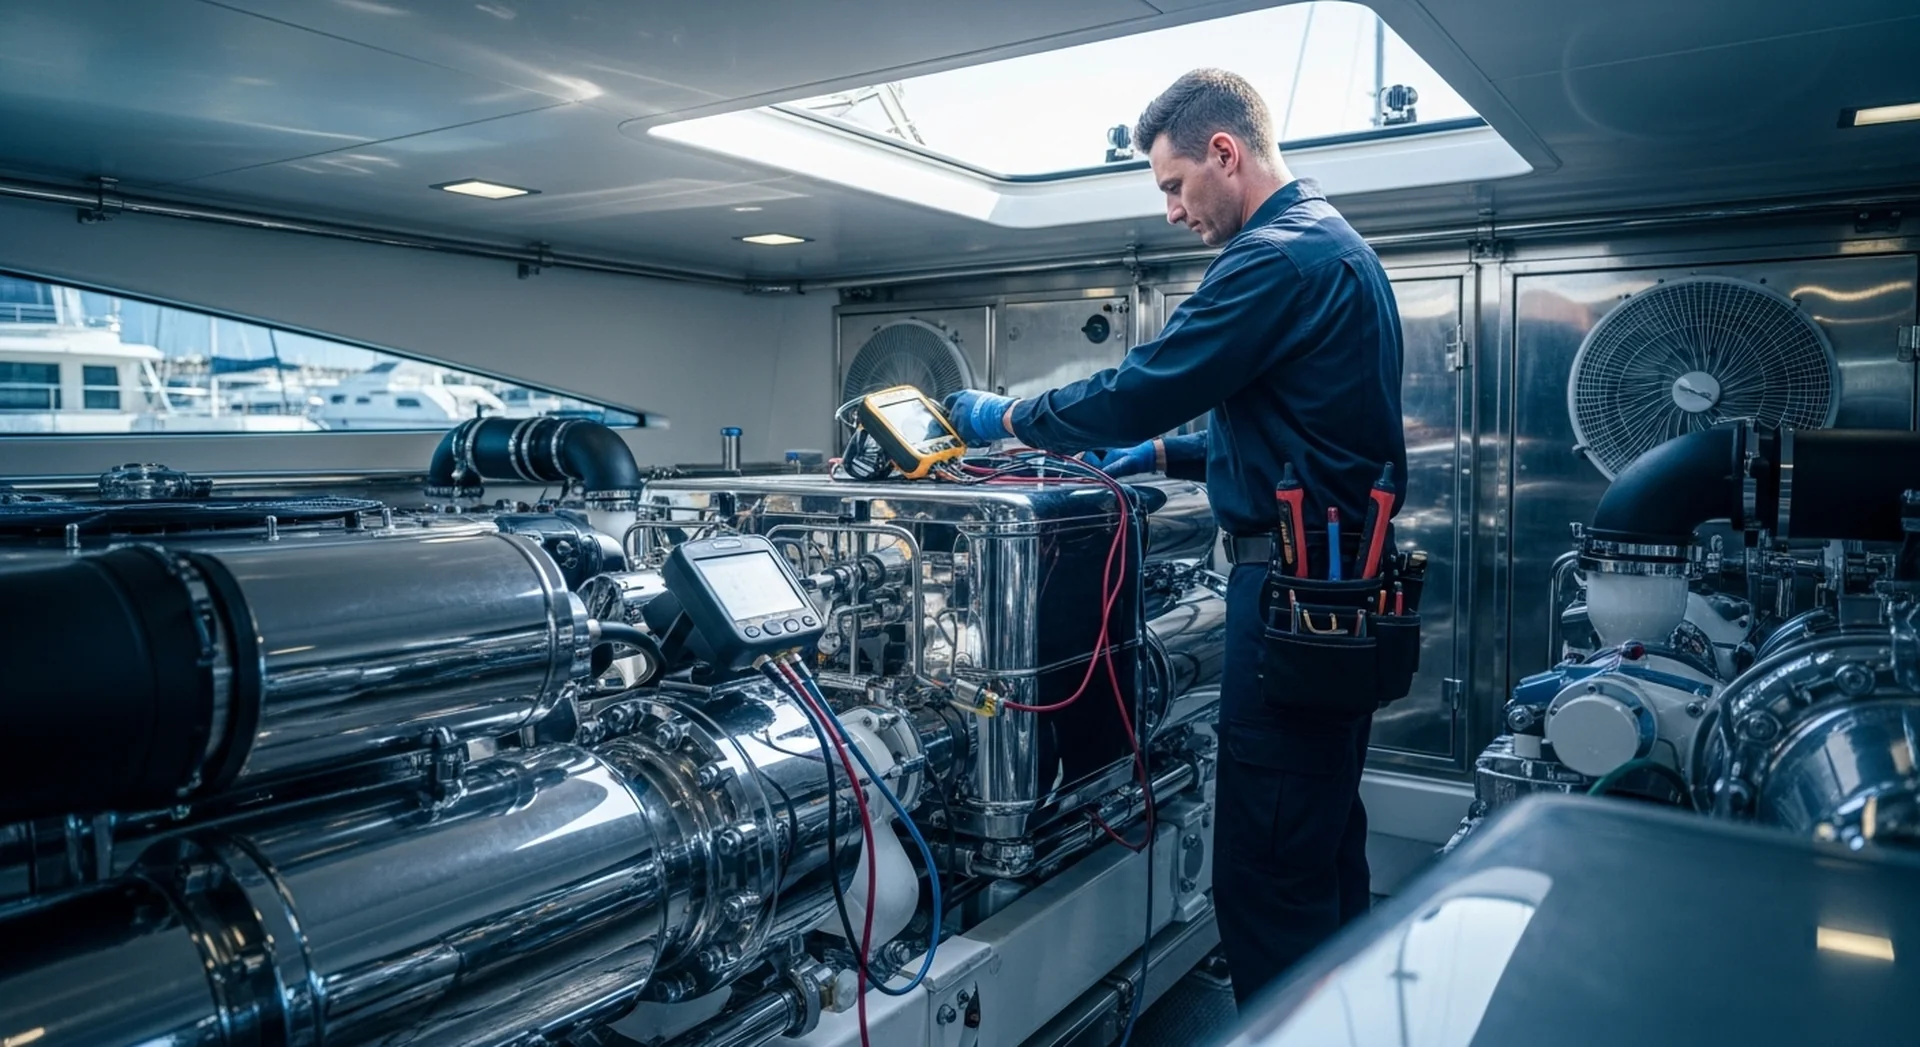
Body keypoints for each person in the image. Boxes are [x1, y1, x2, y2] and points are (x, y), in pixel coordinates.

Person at [942, 69, 1407, 1007]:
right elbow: (1296, 434)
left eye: (1174, 185)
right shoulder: (1333, 246)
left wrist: (1007, 418)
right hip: (1335, 601)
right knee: (1319, 846)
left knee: (1267, 869)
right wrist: (1159, 451)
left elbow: (1145, 380)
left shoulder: (1274, 256)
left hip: (1290, 606)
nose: (1171, 211)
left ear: (1224, 154)